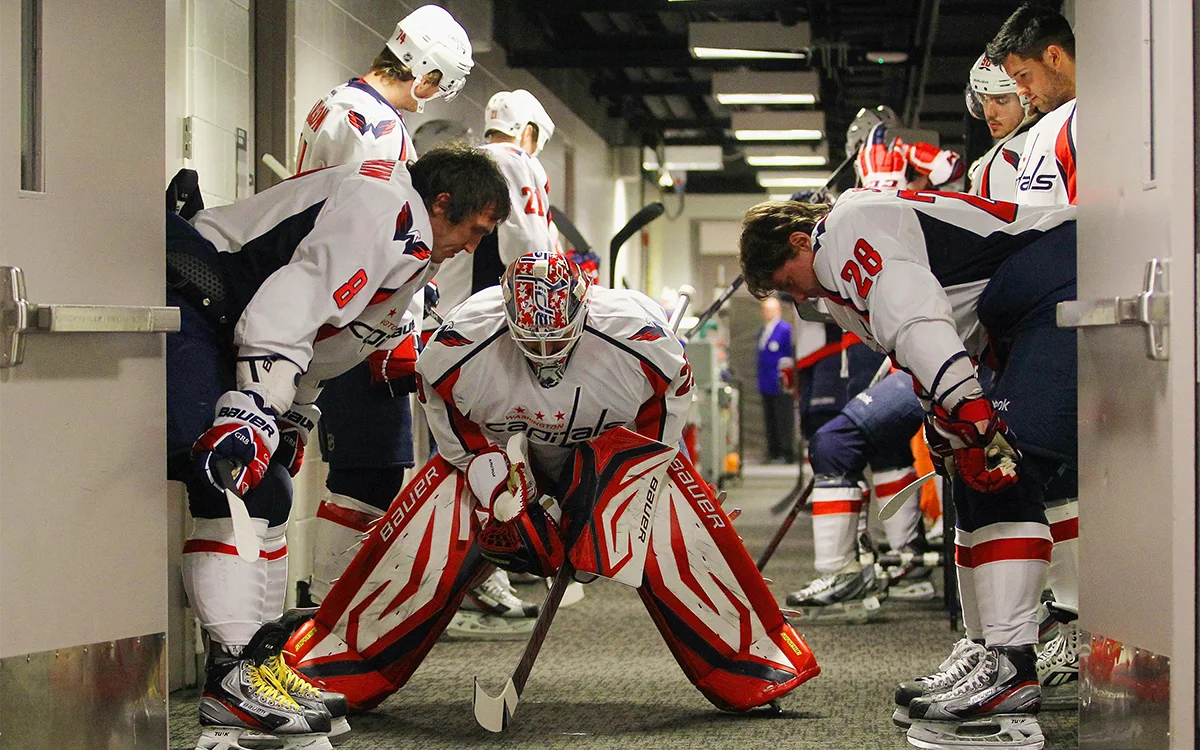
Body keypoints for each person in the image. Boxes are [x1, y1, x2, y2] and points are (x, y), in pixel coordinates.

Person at [282, 251, 820, 713]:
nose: (544, 356)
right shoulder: (461, 340)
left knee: (685, 530)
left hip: (609, 450)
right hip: (499, 449)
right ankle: (334, 666)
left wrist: (623, 487)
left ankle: (756, 663)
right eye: (529, 342)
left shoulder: (639, 336)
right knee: (422, 532)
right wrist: (486, 475)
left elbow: (670, 399)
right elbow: (440, 402)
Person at [168, 146, 509, 750]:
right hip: (195, 289)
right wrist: (252, 411)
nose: (475, 246)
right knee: (230, 480)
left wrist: (292, 411)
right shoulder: (381, 206)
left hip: (232, 320)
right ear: (442, 201)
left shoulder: (415, 241)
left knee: (268, 489)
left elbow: (334, 339)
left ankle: (253, 668)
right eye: (474, 229)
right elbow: (290, 306)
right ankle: (231, 686)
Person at [739, 189, 1076, 750]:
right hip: (1018, 311)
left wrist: (972, 420)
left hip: (1057, 277)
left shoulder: (845, 229)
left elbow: (920, 319)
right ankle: (988, 648)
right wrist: (950, 427)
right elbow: (919, 352)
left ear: (802, 240)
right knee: (970, 475)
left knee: (1005, 471)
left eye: (785, 277)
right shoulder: (837, 288)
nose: (792, 294)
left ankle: (1013, 670)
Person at [293, 6, 536, 628]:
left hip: (336, 304)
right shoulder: (376, 125)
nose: (427, 102)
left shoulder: (336, 107)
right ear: (426, 75)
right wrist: (402, 316)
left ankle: (335, 604)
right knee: (368, 466)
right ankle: (330, 608)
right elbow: (378, 232)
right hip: (354, 311)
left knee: (367, 463)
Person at [988, 3, 1080, 700]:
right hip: (1078, 312)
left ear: (1054, 57)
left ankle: (1032, 641)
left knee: (1030, 463)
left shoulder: (1064, 125)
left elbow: (1042, 231)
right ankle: (1057, 627)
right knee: (1064, 474)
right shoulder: (1055, 125)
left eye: (1024, 76)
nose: (1023, 94)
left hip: (1075, 314)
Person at [434, 89, 558, 314]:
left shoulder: (461, 160)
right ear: (527, 131)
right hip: (478, 309)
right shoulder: (517, 161)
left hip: (442, 299)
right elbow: (528, 242)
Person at [988, 4, 1077, 206]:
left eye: (1024, 75)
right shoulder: (1041, 129)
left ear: (1053, 56)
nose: (1020, 90)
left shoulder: (1094, 118)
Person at [965, 53, 1041, 200]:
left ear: (1028, 97)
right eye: (983, 98)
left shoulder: (1005, 157)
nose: (989, 113)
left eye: (1001, 100)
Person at [757, 296, 795, 464]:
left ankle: (786, 452)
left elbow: (789, 355)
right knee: (770, 418)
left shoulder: (785, 329)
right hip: (765, 382)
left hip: (780, 383)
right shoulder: (763, 331)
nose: (766, 313)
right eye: (764, 309)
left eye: (770, 309)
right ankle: (773, 451)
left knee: (783, 419)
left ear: (777, 310)